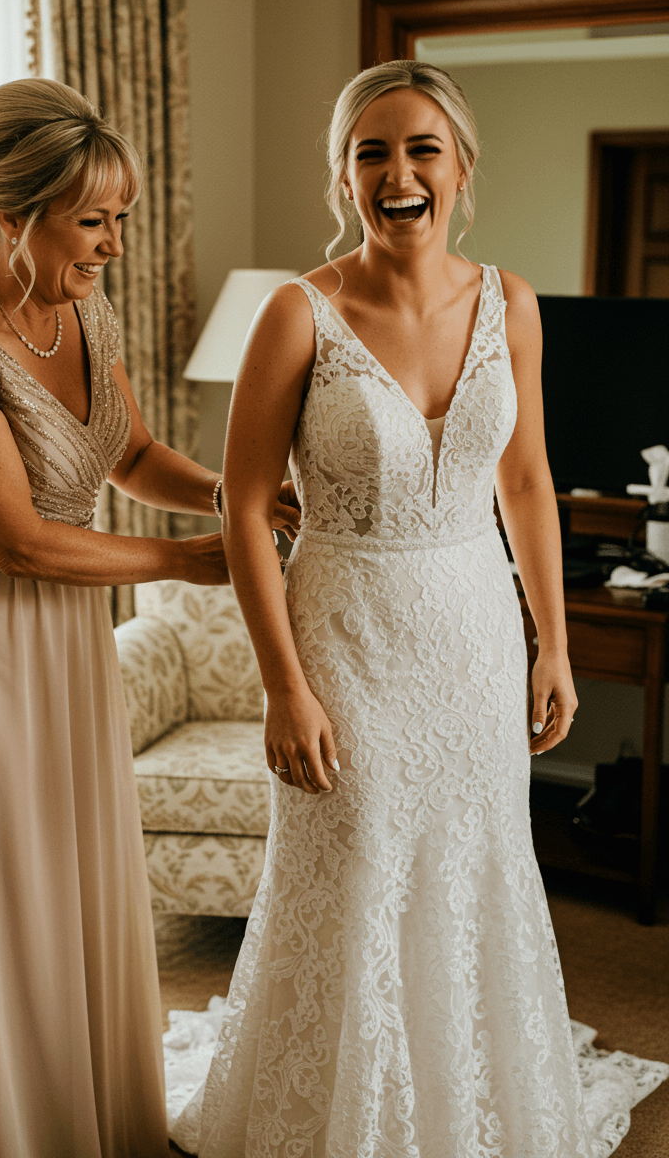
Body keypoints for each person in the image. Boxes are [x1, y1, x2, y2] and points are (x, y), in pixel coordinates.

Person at [190, 61, 665, 1156]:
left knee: (474, 860)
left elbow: (527, 481)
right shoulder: (294, 311)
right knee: (355, 866)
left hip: (470, 631)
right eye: (369, 151)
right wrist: (280, 685)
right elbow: (247, 506)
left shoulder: (508, 301)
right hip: (344, 627)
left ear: (458, 166)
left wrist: (553, 640)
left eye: (419, 149)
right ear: (342, 175)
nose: (395, 173)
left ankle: (464, 1101)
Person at [0, 76, 300, 1158]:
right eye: (89, 220)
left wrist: (242, 495)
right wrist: (199, 559)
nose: (110, 245)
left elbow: (129, 454)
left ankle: (67, 1113)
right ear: (15, 212)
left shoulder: (80, 308)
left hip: (59, 632)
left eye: (119, 218)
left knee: (63, 879)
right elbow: (19, 539)